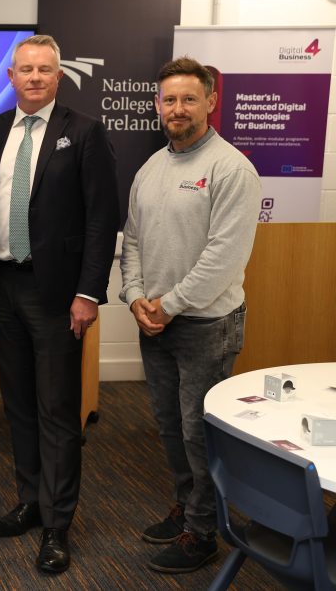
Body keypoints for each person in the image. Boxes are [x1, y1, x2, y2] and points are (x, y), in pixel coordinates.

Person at [0, 34, 118, 574]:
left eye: (45, 70)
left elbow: (103, 219)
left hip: (57, 295)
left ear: (59, 77)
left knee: (57, 411)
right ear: (10, 77)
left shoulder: (84, 133)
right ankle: (30, 500)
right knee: (19, 405)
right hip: (2, 289)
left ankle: (58, 525)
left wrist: (88, 293)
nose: (34, 78)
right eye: (25, 69)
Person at [120, 56, 260, 575]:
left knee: (199, 430)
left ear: (210, 102)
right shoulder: (150, 168)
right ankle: (188, 506)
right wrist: (135, 297)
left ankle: (204, 532)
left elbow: (224, 259)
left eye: (188, 99)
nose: (177, 108)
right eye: (169, 99)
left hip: (205, 325)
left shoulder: (231, 169)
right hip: (153, 323)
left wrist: (169, 304)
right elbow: (132, 241)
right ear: (158, 105)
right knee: (169, 428)